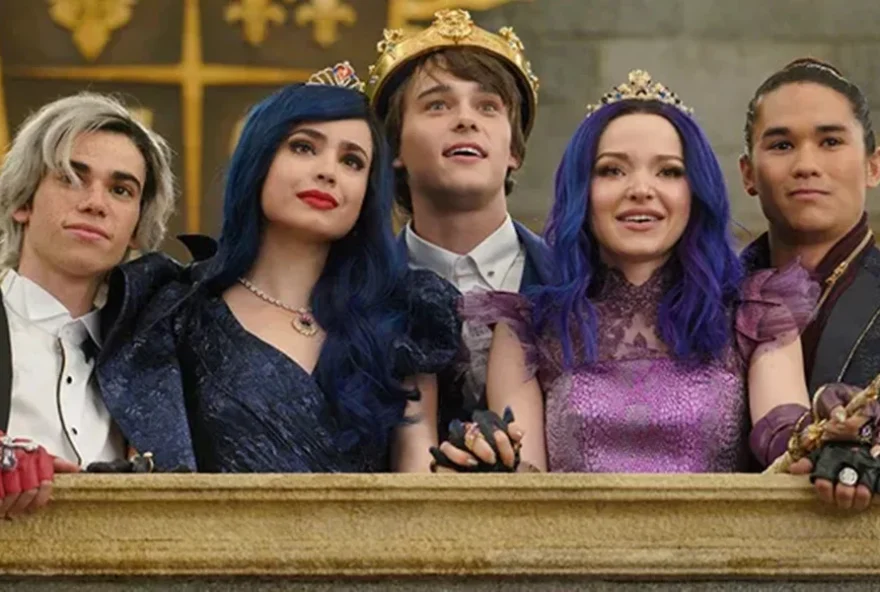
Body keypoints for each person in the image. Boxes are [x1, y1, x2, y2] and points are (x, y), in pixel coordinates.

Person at [433, 70, 838, 476]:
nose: (641, 189)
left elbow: (784, 437)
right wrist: (488, 460)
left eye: (669, 171)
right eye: (612, 170)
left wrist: (832, 433)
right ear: (581, 191)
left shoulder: (756, 312)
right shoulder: (528, 328)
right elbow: (523, 479)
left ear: (696, 193)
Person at [96, 63, 461, 473]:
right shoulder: (176, 314)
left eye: (352, 162)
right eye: (303, 147)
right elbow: (153, 473)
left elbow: (418, 482)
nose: (327, 172)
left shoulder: (401, 316)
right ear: (258, 160)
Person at [365, 9, 548, 431]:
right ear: (395, 148)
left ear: (514, 150)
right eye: (437, 105)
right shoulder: (355, 292)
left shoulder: (578, 283)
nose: (466, 120)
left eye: (488, 106)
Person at [0, 92, 176, 516]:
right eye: (70, 178)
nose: (95, 203)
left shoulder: (156, 357)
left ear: (137, 226)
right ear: (23, 201)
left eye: (120, 190)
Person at [739, 57, 880, 510]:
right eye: (782, 145)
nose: (806, 164)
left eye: (831, 141)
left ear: (873, 166)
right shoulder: (703, 298)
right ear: (748, 174)